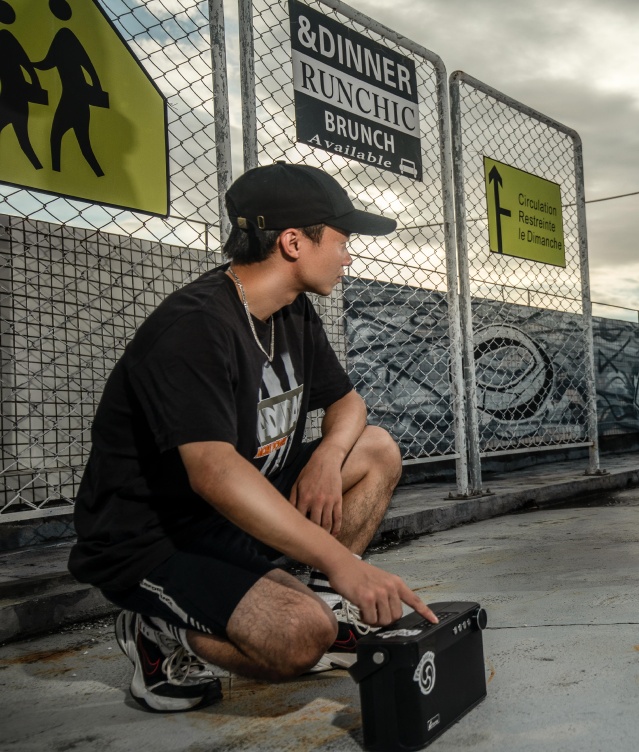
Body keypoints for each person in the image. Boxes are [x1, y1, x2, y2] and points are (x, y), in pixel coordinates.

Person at [69, 162, 438, 713]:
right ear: (293, 242)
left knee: (375, 449)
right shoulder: (196, 326)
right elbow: (214, 472)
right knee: (296, 639)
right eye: (341, 239)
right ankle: (159, 632)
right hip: (157, 540)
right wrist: (343, 563)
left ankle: (323, 605)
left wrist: (327, 457)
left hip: (233, 514)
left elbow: (348, 402)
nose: (348, 254)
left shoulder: (292, 311)